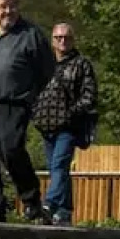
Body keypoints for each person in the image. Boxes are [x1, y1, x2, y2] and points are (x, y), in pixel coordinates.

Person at [0, 0, 53, 223]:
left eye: (12, 6)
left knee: (10, 148)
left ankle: (32, 202)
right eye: (2, 7)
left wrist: (32, 96)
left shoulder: (31, 34)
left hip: (14, 103)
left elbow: (47, 70)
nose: (8, 12)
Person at [31, 23, 98, 226]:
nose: (62, 41)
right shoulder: (44, 65)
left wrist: (71, 114)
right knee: (56, 168)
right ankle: (65, 210)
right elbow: (34, 91)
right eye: (58, 37)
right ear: (52, 40)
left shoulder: (82, 64)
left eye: (66, 37)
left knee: (60, 164)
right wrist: (35, 112)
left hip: (68, 126)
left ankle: (49, 204)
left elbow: (89, 95)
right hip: (46, 125)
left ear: (73, 40)